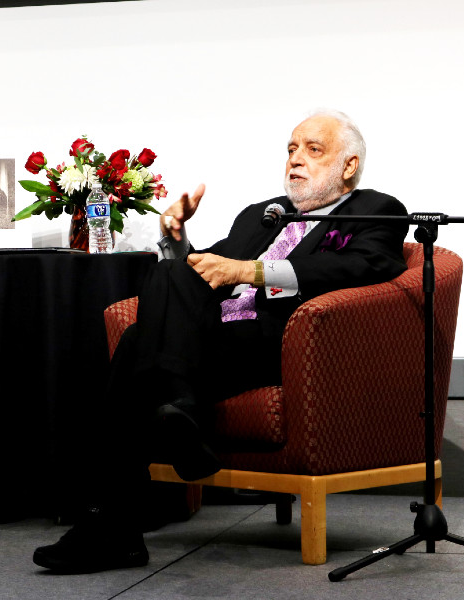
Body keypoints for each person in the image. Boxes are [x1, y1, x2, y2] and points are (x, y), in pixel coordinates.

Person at [32, 109, 409, 573]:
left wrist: (252, 271)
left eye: (313, 150)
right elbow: (206, 273)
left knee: (134, 346)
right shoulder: (262, 215)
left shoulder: (375, 210)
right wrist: (177, 239)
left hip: (283, 341)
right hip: (215, 336)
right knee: (169, 273)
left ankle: (109, 524)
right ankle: (176, 409)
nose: (295, 159)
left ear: (348, 165)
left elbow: (366, 267)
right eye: (292, 149)